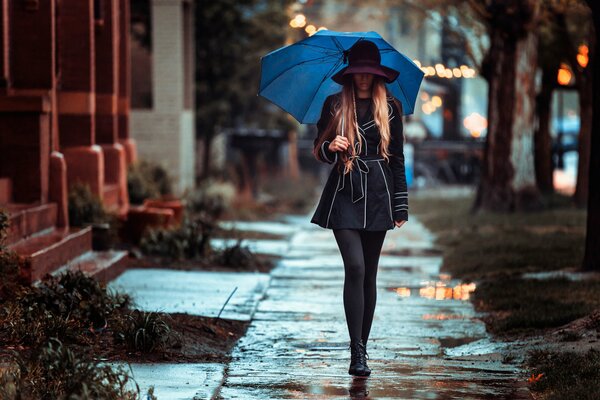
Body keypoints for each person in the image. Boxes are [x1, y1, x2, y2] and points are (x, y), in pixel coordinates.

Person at [310, 39, 408, 377]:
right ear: (350, 74)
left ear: (377, 75)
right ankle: (356, 350)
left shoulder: (391, 107)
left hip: (379, 194)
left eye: (369, 74)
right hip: (344, 190)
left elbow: (397, 160)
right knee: (355, 267)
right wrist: (330, 145)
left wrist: (400, 205)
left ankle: (362, 351)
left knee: (369, 274)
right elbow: (317, 149)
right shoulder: (335, 104)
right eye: (358, 73)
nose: (363, 79)